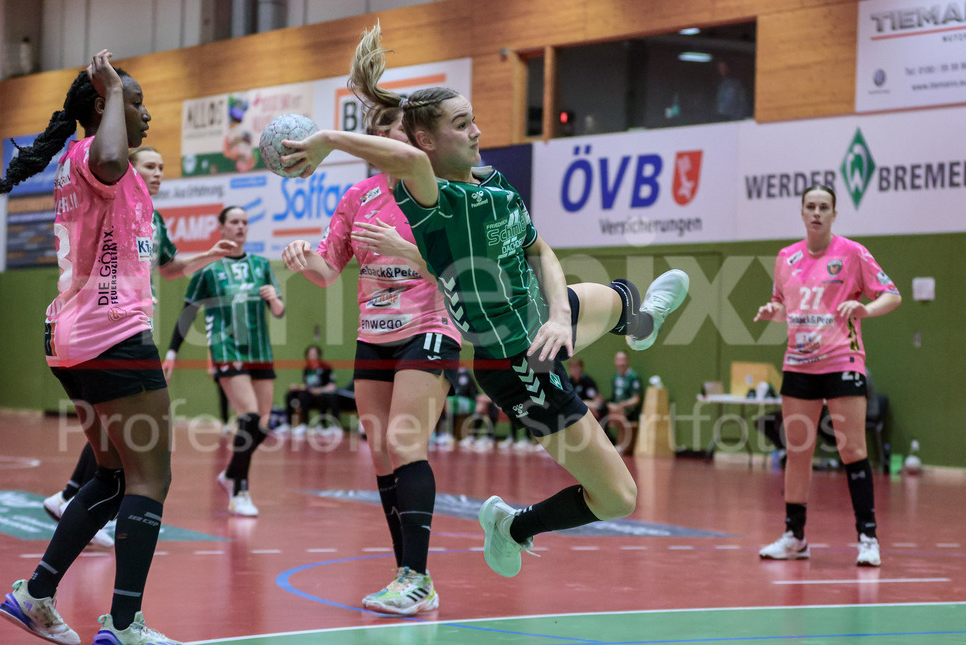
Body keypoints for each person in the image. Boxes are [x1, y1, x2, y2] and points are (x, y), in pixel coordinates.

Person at [281, 24, 689, 578]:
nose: (479, 130)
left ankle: (635, 320)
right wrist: (329, 138)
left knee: (604, 299)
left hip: (545, 319)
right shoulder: (432, 200)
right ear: (425, 142)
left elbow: (540, 248)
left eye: (473, 119)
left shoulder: (494, 183)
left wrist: (562, 316)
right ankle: (511, 526)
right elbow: (408, 166)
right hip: (516, 362)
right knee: (620, 499)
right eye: (461, 124)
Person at [0, 49, 189, 645]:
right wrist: (115, 89)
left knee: (113, 476)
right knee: (152, 477)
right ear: (104, 106)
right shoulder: (98, 158)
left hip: (73, 339)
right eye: (135, 103)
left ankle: (36, 593)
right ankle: (124, 624)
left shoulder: (76, 162)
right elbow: (114, 156)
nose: (146, 114)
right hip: (113, 336)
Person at [282, 98, 460, 615]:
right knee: (382, 452)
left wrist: (407, 251)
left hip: (429, 326)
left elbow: (459, 271)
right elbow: (328, 270)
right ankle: (407, 575)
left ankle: (418, 576)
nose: (393, 139)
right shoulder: (358, 196)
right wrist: (304, 259)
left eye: (400, 131)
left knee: (406, 441)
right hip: (373, 334)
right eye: (383, 130)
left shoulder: (436, 192)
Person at [42, 146, 235, 544]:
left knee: (118, 440)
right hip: (105, 329)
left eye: (164, 167)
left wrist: (210, 255)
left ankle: (69, 504)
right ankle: (79, 503)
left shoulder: (153, 215)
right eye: (151, 165)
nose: (159, 173)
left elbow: (171, 266)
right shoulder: (107, 197)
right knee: (134, 447)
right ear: (127, 166)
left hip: (128, 328)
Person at [754, 184, 901, 567]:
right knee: (797, 452)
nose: (817, 212)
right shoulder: (786, 258)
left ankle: (868, 537)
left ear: (834, 214)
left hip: (842, 361)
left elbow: (891, 294)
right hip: (798, 365)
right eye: (810, 206)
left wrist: (865, 310)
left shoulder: (852, 253)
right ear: (802, 212)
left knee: (852, 450)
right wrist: (773, 311)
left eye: (824, 207)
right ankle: (795, 536)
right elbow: (784, 303)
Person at [166, 205, 285, 516]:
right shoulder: (209, 269)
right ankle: (240, 490)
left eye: (245, 222)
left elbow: (279, 311)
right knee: (247, 417)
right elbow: (188, 312)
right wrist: (172, 352)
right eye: (234, 222)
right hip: (226, 349)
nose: (241, 227)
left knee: (260, 425)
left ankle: (231, 473)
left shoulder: (261, 265)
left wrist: (274, 298)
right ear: (222, 227)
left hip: (260, 351)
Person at [281, 344, 339, 439]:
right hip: (309, 395)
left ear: (318, 355)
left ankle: (322, 425)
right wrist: (298, 387)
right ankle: (294, 424)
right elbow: (306, 384)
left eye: (314, 354)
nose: (312, 356)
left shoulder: (326, 367)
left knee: (325, 397)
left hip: (322, 394)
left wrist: (319, 390)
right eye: (310, 354)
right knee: (292, 395)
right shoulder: (307, 369)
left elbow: (332, 386)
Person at [600, 350, 642, 452]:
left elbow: (636, 399)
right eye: (618, 360)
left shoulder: (633, 377)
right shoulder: (615, 377)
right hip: (617, 407)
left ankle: (621, 445)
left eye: (623, 360)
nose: (621, 363)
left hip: (629, 409)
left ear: (627, 361)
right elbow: (614, 397)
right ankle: (604, 442)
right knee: (600, 409)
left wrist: (623, 404)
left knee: (618, 411)